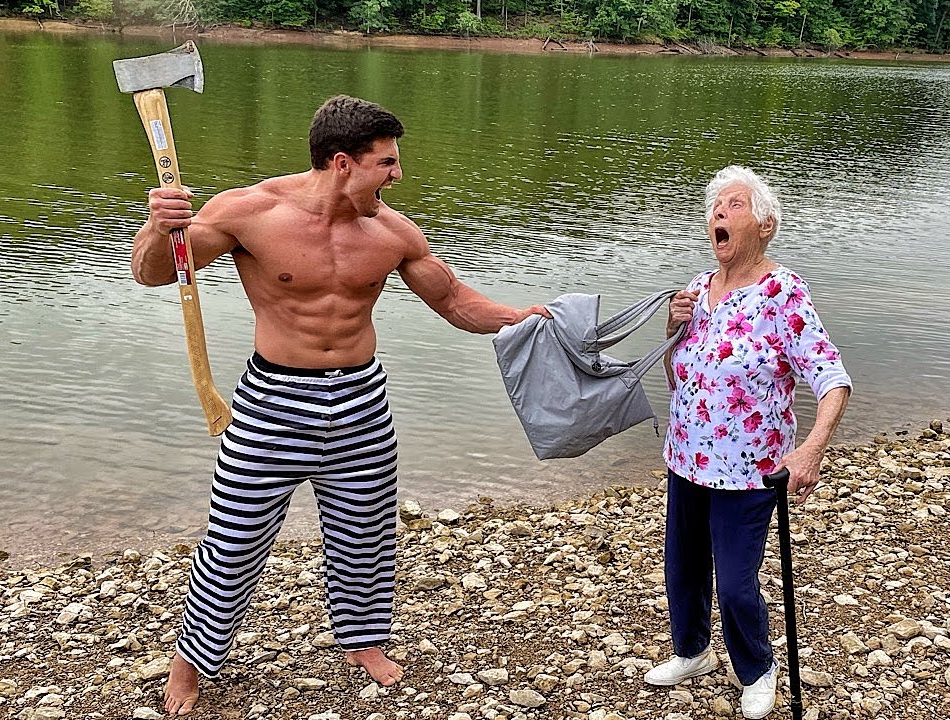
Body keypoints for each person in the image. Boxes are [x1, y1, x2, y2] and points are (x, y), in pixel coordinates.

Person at [133, 95, 549, 715]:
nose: (398, 174)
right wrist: (157, 228)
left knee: (365, 535)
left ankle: (362, 642)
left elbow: (455, 302)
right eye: (386, 163)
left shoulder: (393, 232)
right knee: (233, 543)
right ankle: (190, 665)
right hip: (272, 401)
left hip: (361, 400)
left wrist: (523, 317)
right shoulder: (250, 212)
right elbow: (155, 274)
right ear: (342, 162)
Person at [645, 166, 852, 719]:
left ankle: (758, 668)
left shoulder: (783, 292)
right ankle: (693, 652)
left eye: (734, 205)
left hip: (751, 470)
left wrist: (811, 450)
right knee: (683, 568)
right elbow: (678, 377)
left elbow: (832, 378)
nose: (719, 212)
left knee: (736, 584)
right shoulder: (696, 290)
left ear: (765, 226)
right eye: (715, 206)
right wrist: (671, 331)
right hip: (686, 458)